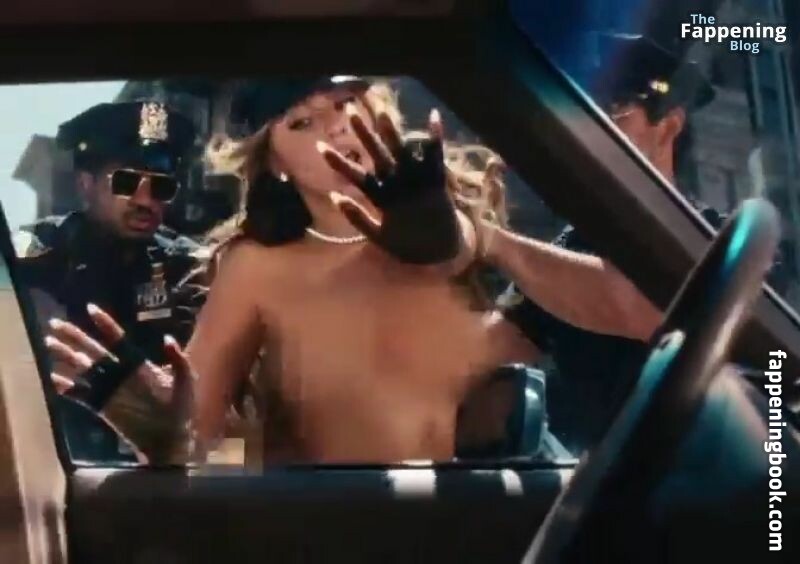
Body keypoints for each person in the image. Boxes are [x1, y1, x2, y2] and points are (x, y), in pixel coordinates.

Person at [47, 75, 663, 464]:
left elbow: (639, 312)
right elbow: (198, 442)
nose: (336, 127)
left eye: (345, 102)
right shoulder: (257, 267)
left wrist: (481, 240)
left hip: (474, 519)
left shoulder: (455, 221)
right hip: (345, 529)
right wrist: (159, 427)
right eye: (302, 122)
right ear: (276, 162)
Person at [16, 100, 205, 460]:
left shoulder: (189, 267)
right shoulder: (33, 258)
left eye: (161, 187)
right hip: (55, 457)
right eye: (126, 182)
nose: (145, 200)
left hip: (159, 463)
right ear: (85, 184)